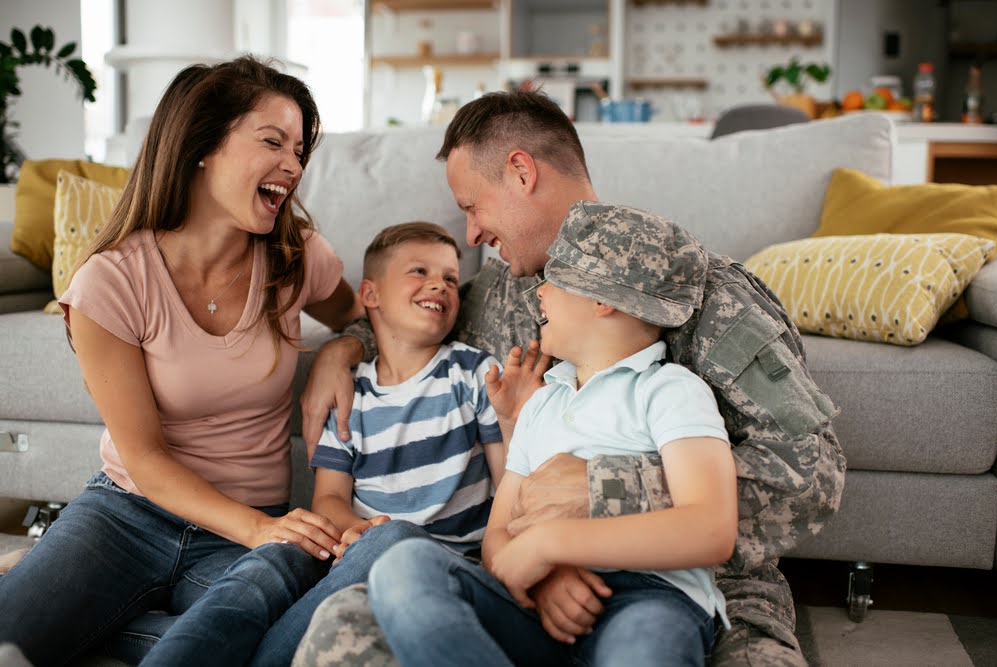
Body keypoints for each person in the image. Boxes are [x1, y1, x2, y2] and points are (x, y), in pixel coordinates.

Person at [299, 89, 845, 666]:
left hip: (697, 585)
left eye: (473, 205)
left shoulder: (702, 296)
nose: (472, 233)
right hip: (526, 575)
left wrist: (603, 493)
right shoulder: (501, 292)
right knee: (346, 634)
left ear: (520, 172)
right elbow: (412, 320)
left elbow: (812, 474)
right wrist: (344, 347)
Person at [0, 56, 364, 666]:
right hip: (126, 514)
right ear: (202, 146)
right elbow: (143, 457)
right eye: (272, 141)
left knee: (295, 633)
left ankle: (92, 616)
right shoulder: (110, 282)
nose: (294, 166)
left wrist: (340, 350)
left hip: (247, 529)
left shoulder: (295, 258)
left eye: (300, 150)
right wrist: (258, 532)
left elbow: (362, 317)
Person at [368, 202, 739, 666]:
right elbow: (497, 538)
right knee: (403, 567)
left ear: (602, 298)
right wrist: (543, 577)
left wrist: (549, 544)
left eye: (555, 279)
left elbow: (710, 528)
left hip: (650, 597)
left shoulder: (670, 389)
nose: (538, 293)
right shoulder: (541, 403)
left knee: (643, 650)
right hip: (534, 604)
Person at [140, 222, 506, 666]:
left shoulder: (473, 374)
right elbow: (329, 499)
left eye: (451, 277)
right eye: (419, 271)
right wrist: (360, 537)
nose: (440, 284)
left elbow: (509, 485)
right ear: (369, 295)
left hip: (450, 570)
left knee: (397, 541)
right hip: (359, 561)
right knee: (312, 556)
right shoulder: (350, 394)